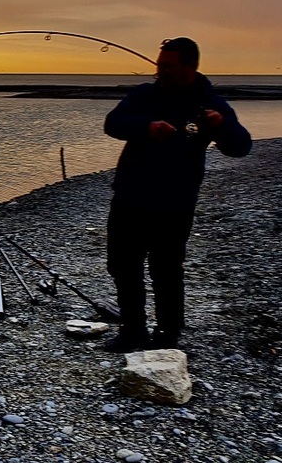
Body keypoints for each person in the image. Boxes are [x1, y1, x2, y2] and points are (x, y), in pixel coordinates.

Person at [102, 37, 252, 352]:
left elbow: (241, 147)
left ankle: (169, 334)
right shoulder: (144, 95)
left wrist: (221, 126)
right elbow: (113, 123)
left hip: (176, 201)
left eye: (168, 66)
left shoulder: (210, 105)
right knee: (122, 265)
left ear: (190, 66)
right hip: (130, 195)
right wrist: (147, 127)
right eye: (159, 64)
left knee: (166, 269)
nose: (161, 71)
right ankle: (133, 331)